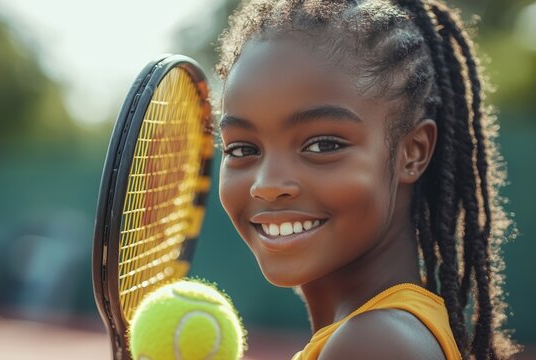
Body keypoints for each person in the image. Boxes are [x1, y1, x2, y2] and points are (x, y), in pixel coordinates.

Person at [214, 0, 519, 359]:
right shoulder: (383, 333)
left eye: (323, 144)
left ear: (413, 152)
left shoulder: (375, 343)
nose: (266, 184)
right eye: (241, 149)